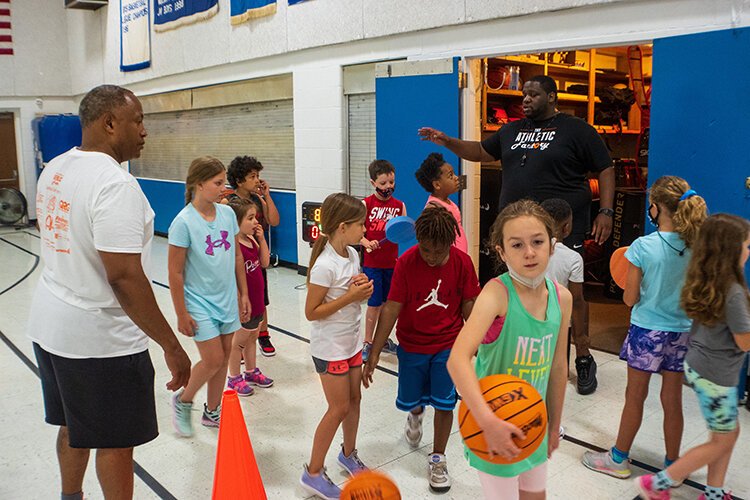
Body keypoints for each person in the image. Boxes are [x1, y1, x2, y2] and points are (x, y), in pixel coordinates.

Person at [27, 84, 191, 500]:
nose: (144, 131)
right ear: (109, 123)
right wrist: (171, 345)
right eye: (137, 121)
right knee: (115, 442)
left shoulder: (56, 168)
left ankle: (71, 496)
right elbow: (123, 277)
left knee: (73, 424)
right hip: (99, 340)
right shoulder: (115, 185)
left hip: (51, 325)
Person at [582, 176, 707, 481]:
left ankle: (618, 459)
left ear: (656, 208)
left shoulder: (641, 246)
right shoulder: (697, 247)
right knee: (672, 400)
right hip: (681, 332)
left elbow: (629, 298)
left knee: (634, 397)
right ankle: (673, 466)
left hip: (647, 332)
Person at [447, 199, 572, 500]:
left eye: (538, 242)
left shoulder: (561, 298)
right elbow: (457, 359)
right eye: (517, 245)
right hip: (493, 422)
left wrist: (554, 424)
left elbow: (558, 366)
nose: (529, 252)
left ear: (552, 245)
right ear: (502, 252)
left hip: (533, 420)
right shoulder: (496, 294)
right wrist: (486, 421)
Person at [418, 74, 615, 248]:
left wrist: (606, 211)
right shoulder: (511, 130)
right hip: (516, 225)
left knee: (560, 284)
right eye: (524, 95)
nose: (526, 100)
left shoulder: (577, 129)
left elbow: (605, 168)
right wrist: (448, 141)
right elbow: (479, 151)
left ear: (552, 97)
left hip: (561, 227)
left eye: (534, 95)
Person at [363, 206, 481, 493]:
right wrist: (375, 349)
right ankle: (415, 412)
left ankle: (438, 457)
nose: (431, 257)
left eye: (438, 252)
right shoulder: (406, 262)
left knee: (445, 402)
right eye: (426, 250)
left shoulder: (463, 263)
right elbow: (392, 307)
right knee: (413, 399)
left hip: (448, 345)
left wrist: (475, 343)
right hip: (412, 344)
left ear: (449, 243)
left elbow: (470, 304)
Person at [635, 214, 750, 500]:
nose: (749, 251)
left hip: (703, 368)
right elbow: (744, 342)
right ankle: (657, 483)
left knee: (726, 435)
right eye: (746, 246)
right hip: (717, 376)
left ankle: (713, 493)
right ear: (731, 250)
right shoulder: (733, 292)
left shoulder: (709, 280)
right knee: (721, 440)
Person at [168, 156, 251, 438]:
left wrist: (244, 294)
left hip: (226, 298)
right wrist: (181, 313)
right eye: (218, 182)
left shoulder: (227, 214)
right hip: (198, 302)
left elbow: (238, 257)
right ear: (199, 184)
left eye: (224, 180)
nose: (223, 187)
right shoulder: (183, 223)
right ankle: (184, 399)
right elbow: (175, 273)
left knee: (225, 356)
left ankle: (212, 410)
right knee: (213, 359)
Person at [300, 193, 373, 500]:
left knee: (354, 400)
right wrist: (350, 297)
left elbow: (353, 296)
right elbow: (311, 312)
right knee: (338, 407)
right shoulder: (324, 266)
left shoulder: (353, 255)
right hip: (330, 348)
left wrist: (362, 289)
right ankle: (313, 472)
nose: (365, 229)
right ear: (343, 227)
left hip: (351, 341)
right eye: (361, 224)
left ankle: (348, 453)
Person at [223, 155, 280, 357]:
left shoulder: (257, 199)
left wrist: (267, 196)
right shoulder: (228, 202)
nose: (257, 180)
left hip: (257, 257)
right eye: (252, 176)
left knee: (261, 299)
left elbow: (274, 220)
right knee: (240, 299)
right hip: (240, 258)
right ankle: (237, 343)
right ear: (239, 180)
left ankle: (263, 334)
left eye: (258, 176)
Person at [540, 198, 596, 395]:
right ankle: (583, 361)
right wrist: (581, 337)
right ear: (567, 227)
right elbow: (577, 301)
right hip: (560, 326)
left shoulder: (526, 252)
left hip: (529, 322)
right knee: (558, 374)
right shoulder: (573, 258)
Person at [359, 159, 406, 361]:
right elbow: (357, 233)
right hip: (372, 265)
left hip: (391, 264)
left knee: (389, 305)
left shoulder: (399, 206)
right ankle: (368, 342)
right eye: (384, 183)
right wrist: (366, 242)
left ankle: (384, 340)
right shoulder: (365, 204)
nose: (389, 187)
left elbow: (403, 231)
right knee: (374, 304)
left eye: (391, 182)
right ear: (373, 183)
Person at [226, 199, 274, 396]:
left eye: (256, 217)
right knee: (238, 342)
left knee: (253, 337)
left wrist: (262, 240)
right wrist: (238, 300)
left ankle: (251, 371)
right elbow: (231, 277)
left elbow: (264, 263)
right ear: (236, 222)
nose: (256, 222)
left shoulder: (251, 239)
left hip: (257, 300)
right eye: (250, 218)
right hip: (243, 303)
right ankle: (234, 377)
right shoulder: (233, 245)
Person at [415, 152, 468, 254]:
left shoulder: (448, 201)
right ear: (437, 184)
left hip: (459, 258)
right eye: (450, 175)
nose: (457, 178)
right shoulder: (433, 207)